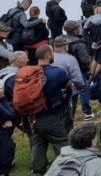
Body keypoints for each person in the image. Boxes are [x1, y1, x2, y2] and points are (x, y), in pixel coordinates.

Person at [30, 45, 72, 175]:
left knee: (39, 142)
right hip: (52, 114)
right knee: (61, 141)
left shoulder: (29, 73)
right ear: (48, 55)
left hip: (34, 115)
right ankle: (68, 169)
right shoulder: (57, 72)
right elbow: (68, 85)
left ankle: (38, 170)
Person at [51, 36, 86, 131]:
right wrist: (80, 87)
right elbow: (78, 78)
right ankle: (67, 137)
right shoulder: (70, 59)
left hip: (51, 93)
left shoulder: (49, 58)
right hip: (69, 92)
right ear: (65, 46)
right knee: (69, 116)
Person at [64, 20, 94, 121]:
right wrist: (88, 68)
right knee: (83, 89)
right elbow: (85, 59)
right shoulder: (79, 43)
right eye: (77, 28)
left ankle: (70, 115)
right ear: (74, 29)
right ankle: (87, 112)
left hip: (65, 70)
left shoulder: (62, 40)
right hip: (79, 69)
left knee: (71, 92)